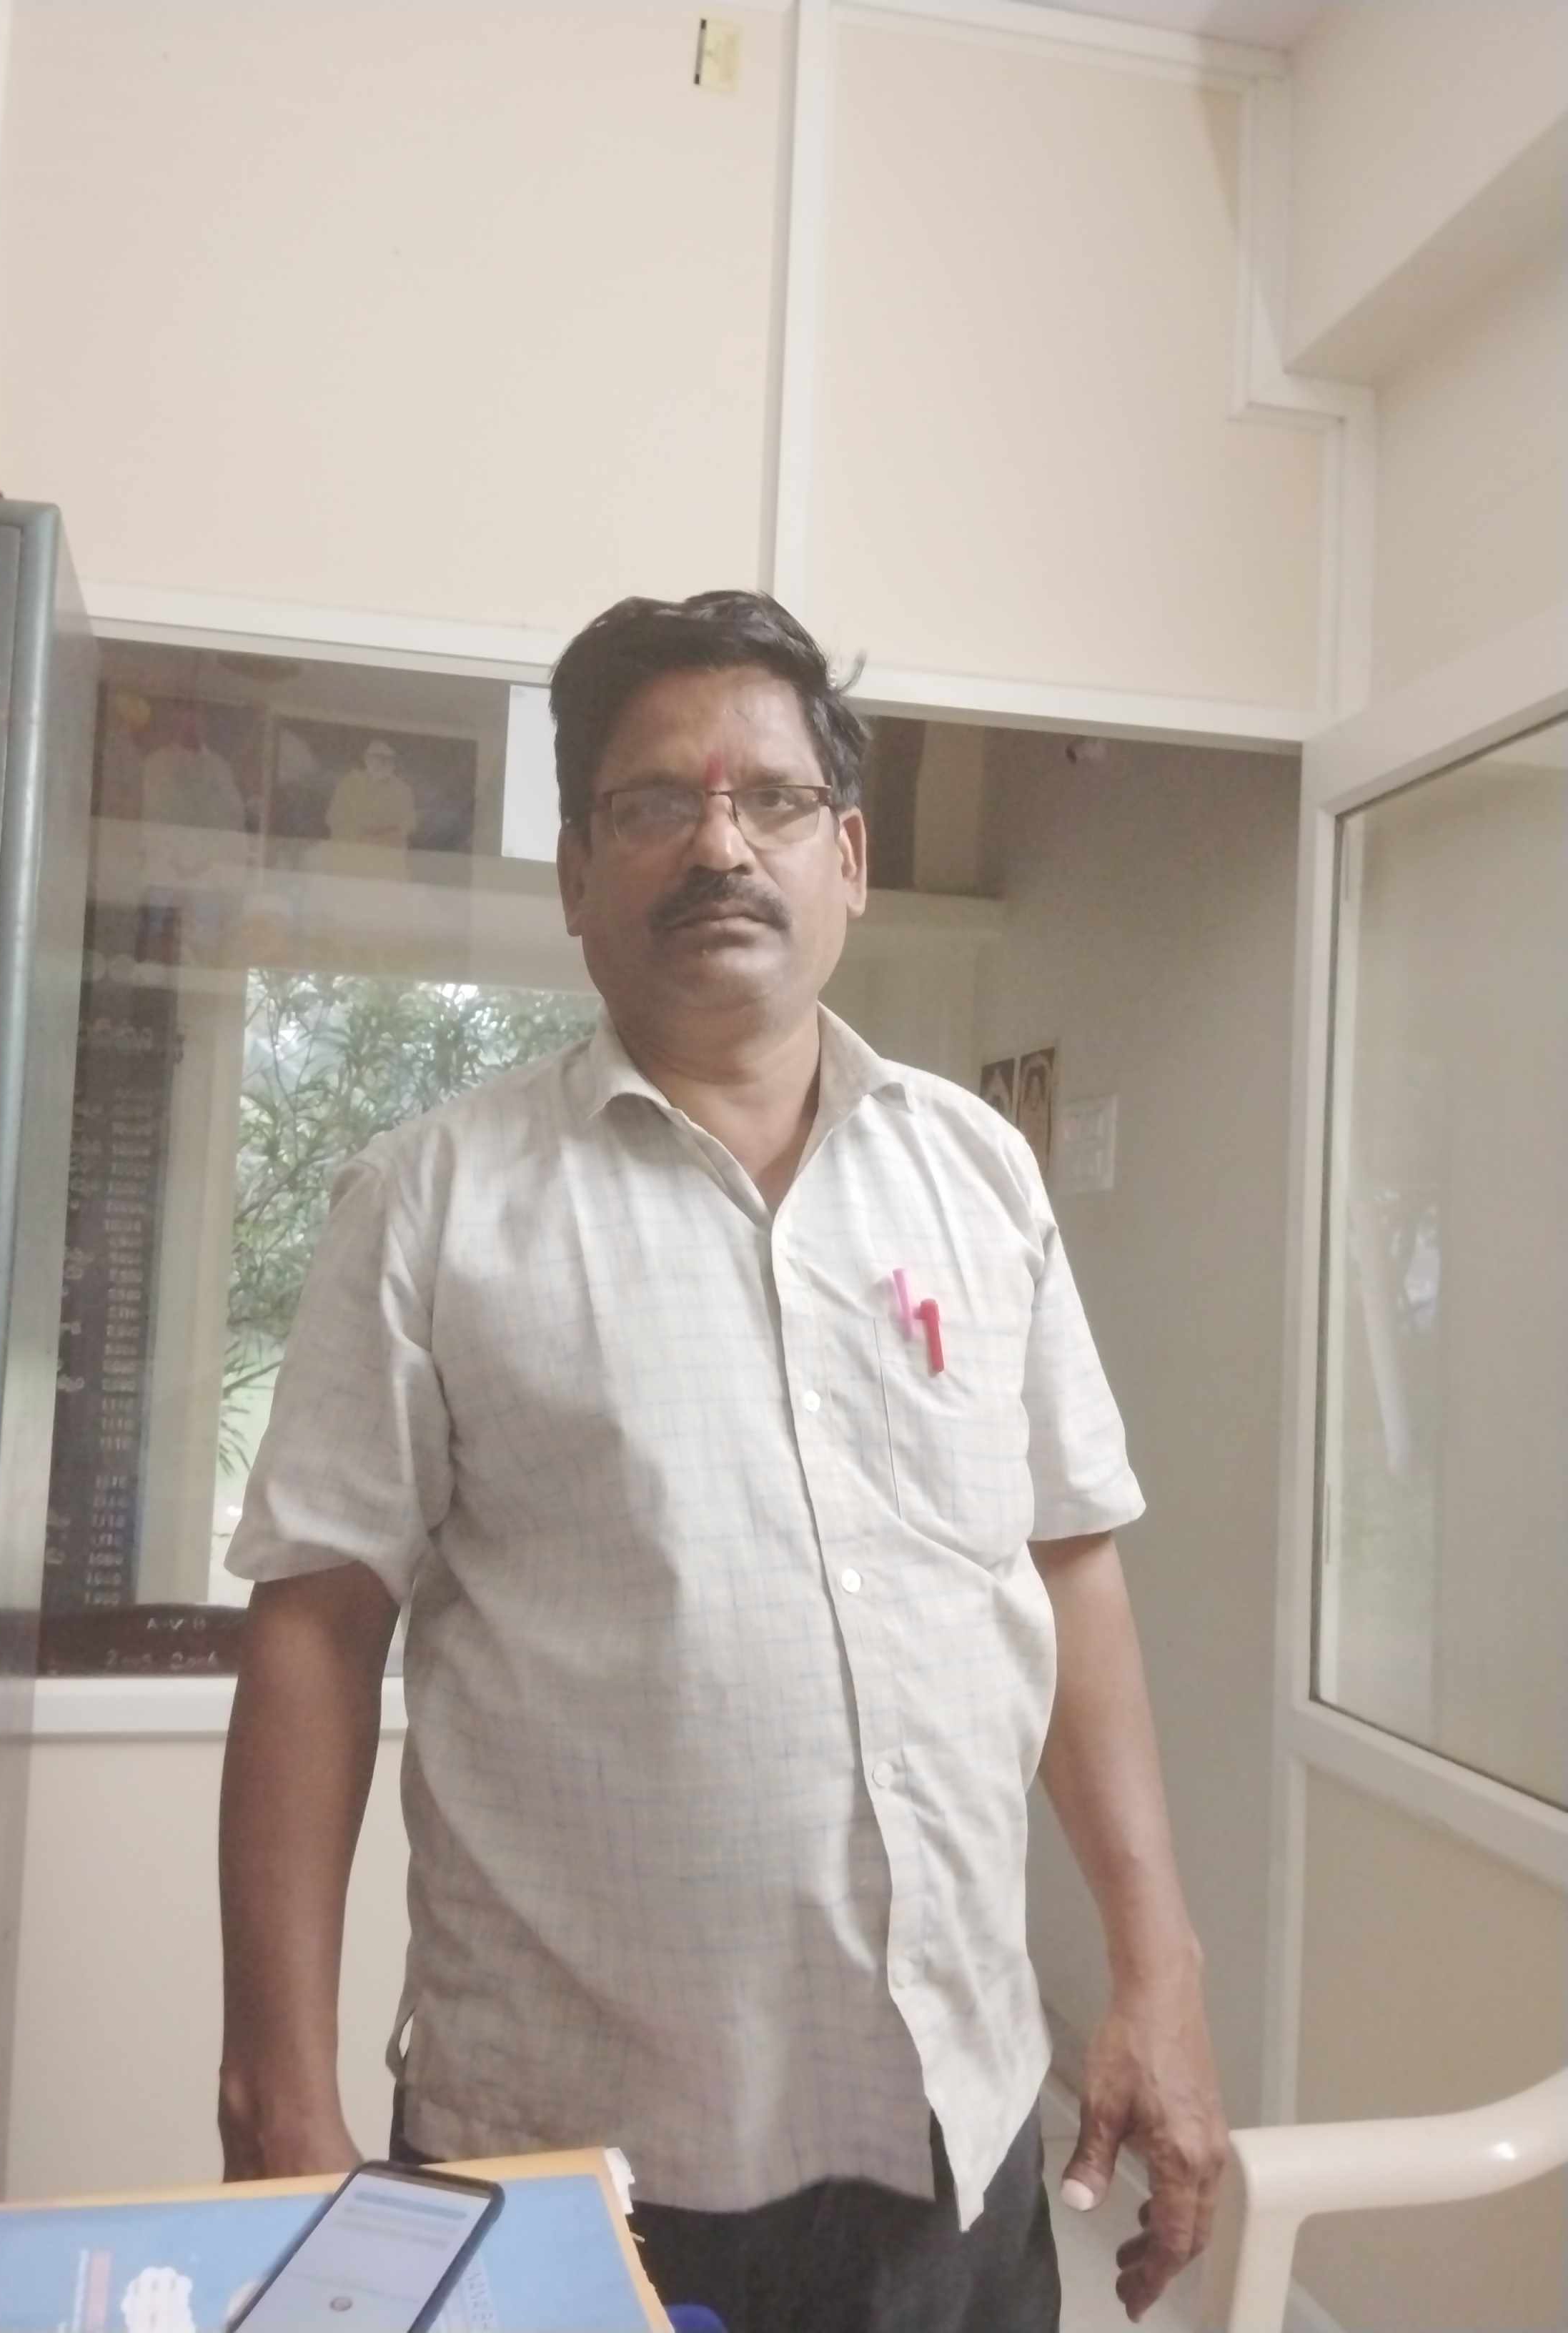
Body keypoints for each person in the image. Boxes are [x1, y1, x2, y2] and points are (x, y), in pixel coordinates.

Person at [218, 591, 1226, 2332]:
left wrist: (1161, 1963)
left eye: (771, 799)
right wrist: (279, 2089)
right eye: (652, 804)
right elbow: (314, 1633)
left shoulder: (979, 1177)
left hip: (953, 2137)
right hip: (570, 2169)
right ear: (574, 875)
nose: (718, 846)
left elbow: (1064, 1558)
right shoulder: (435, 1201)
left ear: (849, 856)